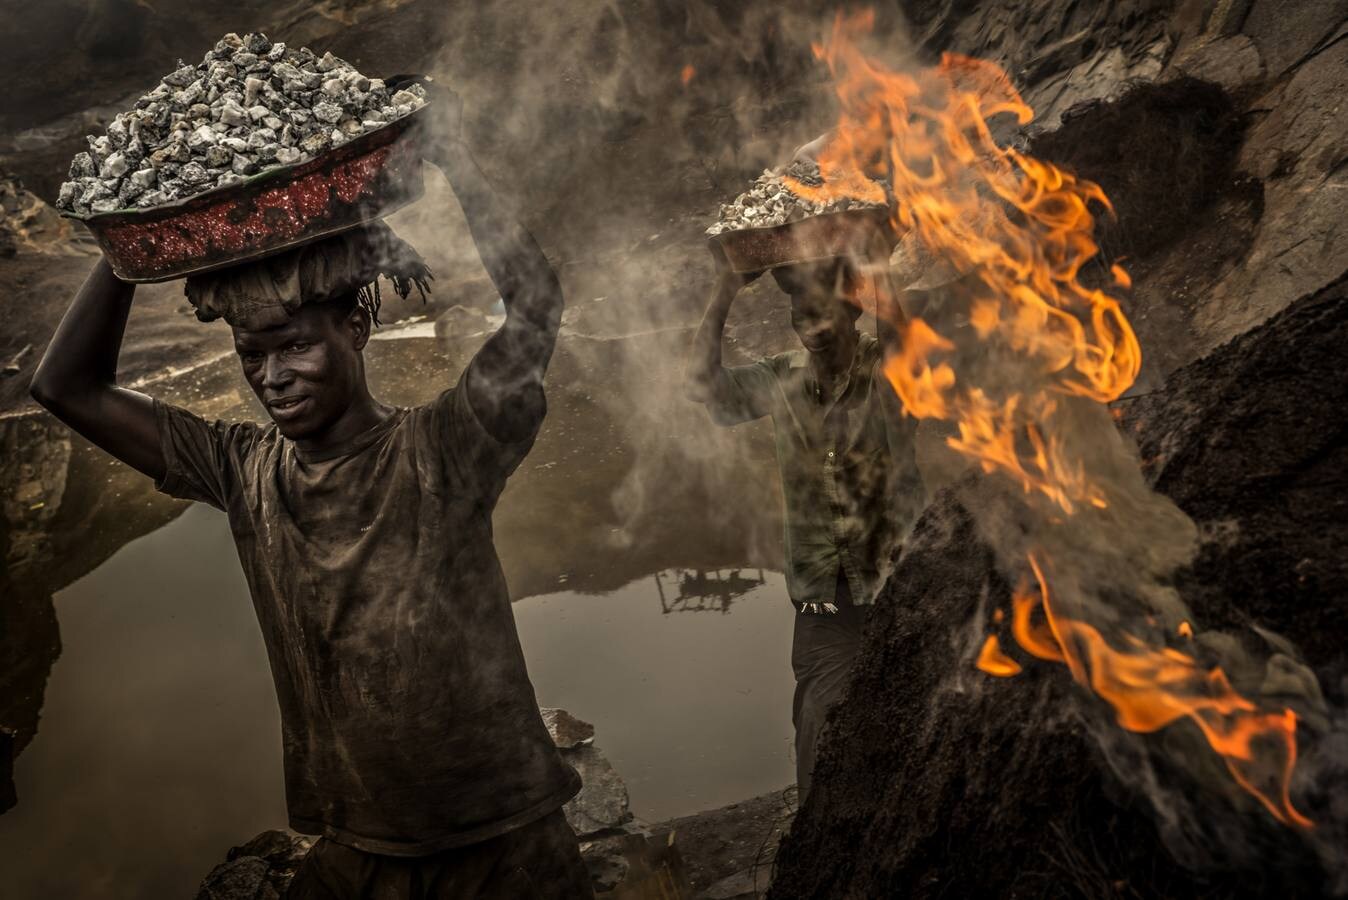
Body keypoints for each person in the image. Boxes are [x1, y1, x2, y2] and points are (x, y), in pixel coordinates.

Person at [30, 86, 593, 899]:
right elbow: (65, 387)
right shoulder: (245, 471)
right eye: (253, 356)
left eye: (294, 346)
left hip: (503, 844)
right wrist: (126, 244)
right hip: (358, 851)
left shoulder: (441, 451)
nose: (272, 378)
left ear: (355, 329)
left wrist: (457, 161)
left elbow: (534, 309)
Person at [685, 249, 926, 803]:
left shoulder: (883, 369)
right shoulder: (779, 379)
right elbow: (702, 385)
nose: (812, 331)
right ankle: (822, 841)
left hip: (904, 582)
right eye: (800, 318)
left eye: (824, 316)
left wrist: (878, 259)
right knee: (820, 723)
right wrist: (725, 289)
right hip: (825, 598)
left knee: (920, 711)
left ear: (853, 314)